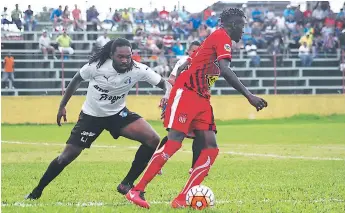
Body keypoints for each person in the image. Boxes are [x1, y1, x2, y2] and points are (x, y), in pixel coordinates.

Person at [126, 8, 268, 209]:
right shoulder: (222, 36)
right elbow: (225, 70)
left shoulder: (217, 38)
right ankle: (136, 190)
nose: (243, 31)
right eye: (242, 27)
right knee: (174, 142)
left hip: (202, 99)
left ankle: (183, 198)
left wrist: (190, 63)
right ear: (234, 25)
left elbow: (201, 57)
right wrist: (249, 95)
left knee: (211, 148)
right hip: (187, 93)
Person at [25, 38, 172, 200]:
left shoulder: (138, 69)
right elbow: (76, 79)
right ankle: (37, 191)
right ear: (111, 55)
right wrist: (62, 106)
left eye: (128, 56)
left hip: (118, 114)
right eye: (120, 57)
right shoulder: (96, 67)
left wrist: (167, 94)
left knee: (152, 139)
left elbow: (165, 84)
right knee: (66, 157)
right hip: (91, 117)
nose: (124, 60)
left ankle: (127, 183)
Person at [159, 40, 201, 174]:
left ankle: (194, 167)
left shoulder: (203, 63)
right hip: (180, 103)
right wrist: (167, 97)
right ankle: (157, 161)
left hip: (196, 104)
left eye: (199, 51)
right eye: (194, 50)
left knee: (201, 134)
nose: (196, 53)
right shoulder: (183, 61)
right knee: (174, 135)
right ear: (188, 51)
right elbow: (172, 81)